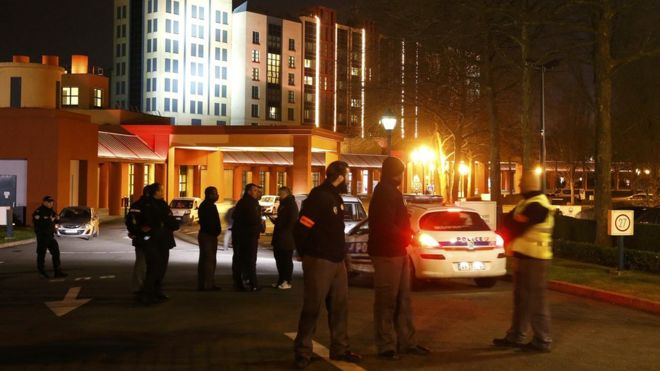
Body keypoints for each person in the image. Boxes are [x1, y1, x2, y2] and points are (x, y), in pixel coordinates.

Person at [293, 161, 361, 369]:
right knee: (313, 307)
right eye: (347, 175)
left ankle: (340, 348)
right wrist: (307, 255)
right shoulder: (320, 197)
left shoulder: (334, 197)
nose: (349, 180)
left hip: (336, 259)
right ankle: (303, 352)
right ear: (340, 176)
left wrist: (343, 256)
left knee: (340, 307)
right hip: (320, 260)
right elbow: (302, 227)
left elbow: (334, 230)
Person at [368, 157, 430, 360]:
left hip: (398, 251)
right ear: (395, 173)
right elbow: (385, 225)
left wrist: (406, 233)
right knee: (387, 300)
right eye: (401, 172)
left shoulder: (390, 191)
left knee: (403, 299)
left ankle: (406, 341)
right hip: (387, 252)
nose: (402, 176)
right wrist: (406, 235)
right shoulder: (385, 192)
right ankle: (386, 344)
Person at [493, 170, 555, 352]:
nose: (518, 185)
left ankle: (542, 340)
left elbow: (516, 226)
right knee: (522, 299)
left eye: (521, 182)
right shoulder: (526, 203)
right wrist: (513, 221)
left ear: (528, 184)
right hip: (524, 256)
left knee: (535, 300)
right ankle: (516, 336)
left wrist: (513, 221)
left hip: (535, 258)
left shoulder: (538, 205)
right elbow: (507, 221)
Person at [137, 183, 179, 305]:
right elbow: (166, 220)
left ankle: (156, 291)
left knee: (159, 267)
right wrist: (172, 224)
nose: (163, 192)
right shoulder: (152, 205)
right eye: (161, 190)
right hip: (156, 240)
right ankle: (148, 294)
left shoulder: (156, 204)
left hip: (160, 240)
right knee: (155, 267)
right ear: (156, 192)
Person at [231, 183, 263, 291]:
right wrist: (260, 222)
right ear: (248, 191)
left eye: (257, 190)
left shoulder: (243, 202)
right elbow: (253, 219)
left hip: (242, 235)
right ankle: (252, 283)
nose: (257, 192)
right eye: (254, 190)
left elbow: (234, 215)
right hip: (248, 236)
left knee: (240, 259)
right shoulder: (250, 203)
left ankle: (240, 282)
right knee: (249, 260)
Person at [269, 186, 298, 290]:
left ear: (285, 193)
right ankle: (281, 280)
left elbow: (292, 221)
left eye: (280, 193)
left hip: (286, 238)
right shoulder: (284, 204)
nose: (278, 195)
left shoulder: (290, 204)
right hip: (281, 236)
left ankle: (287, 281)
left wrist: (282, 228)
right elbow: (283, 220)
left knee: (286, 260)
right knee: (280, 260)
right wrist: (274, 220)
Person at [32, 196, 67, 279]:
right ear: (44, 202)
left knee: (56, 252)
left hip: (50, 236)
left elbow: (56, 220)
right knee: (41, 254)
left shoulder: (51, 211)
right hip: (42, 236)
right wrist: (50, 219)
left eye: (52, 202)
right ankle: (41, 272)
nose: (51, 203)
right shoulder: (39, 211)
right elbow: (39, 222)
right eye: (49, 202)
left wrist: (57, 219)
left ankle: (57, 271)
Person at [125, 186, 151, 293]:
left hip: (139, 237)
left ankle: (139, 286)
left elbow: (129, 220)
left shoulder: (136, 205)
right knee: (145, 263)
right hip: (147, 237)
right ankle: (143, 287)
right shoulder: (149, 206)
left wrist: (133, 233)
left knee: (141, 261)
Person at [197, 186, 222, 291]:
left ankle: (205, 283)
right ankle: (208, 284)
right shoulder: (208, 206)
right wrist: (215, 231)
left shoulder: (207, 205)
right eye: (215, 193)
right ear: (210, 194)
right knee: (209, 260)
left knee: (206, 260)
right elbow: (209, 222)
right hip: (208, 235)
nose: (217, 195)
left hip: (208, 235)